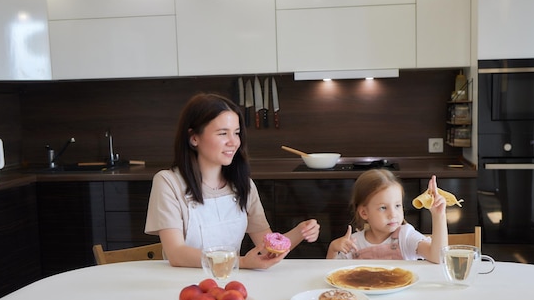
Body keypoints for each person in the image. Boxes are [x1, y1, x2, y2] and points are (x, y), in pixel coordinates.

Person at [145, 93, 320, 269]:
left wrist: (300, 232)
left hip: (230, 283)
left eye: (236, 133)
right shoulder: (168, 183)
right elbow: (177, 254)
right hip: (183, 286)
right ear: (194, 137)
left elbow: (267, 246)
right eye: (223, 133)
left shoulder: (244, 185)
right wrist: (240, 262)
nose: (234, 142)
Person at [326, 169, 447, 263]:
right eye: (383, 208)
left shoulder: (406, 236)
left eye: (398, 206)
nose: (393, 214)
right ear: (364, 212)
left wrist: (439, 216)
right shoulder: (353, 243)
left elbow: (438, 257)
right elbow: (330, 274)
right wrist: (333, 249)